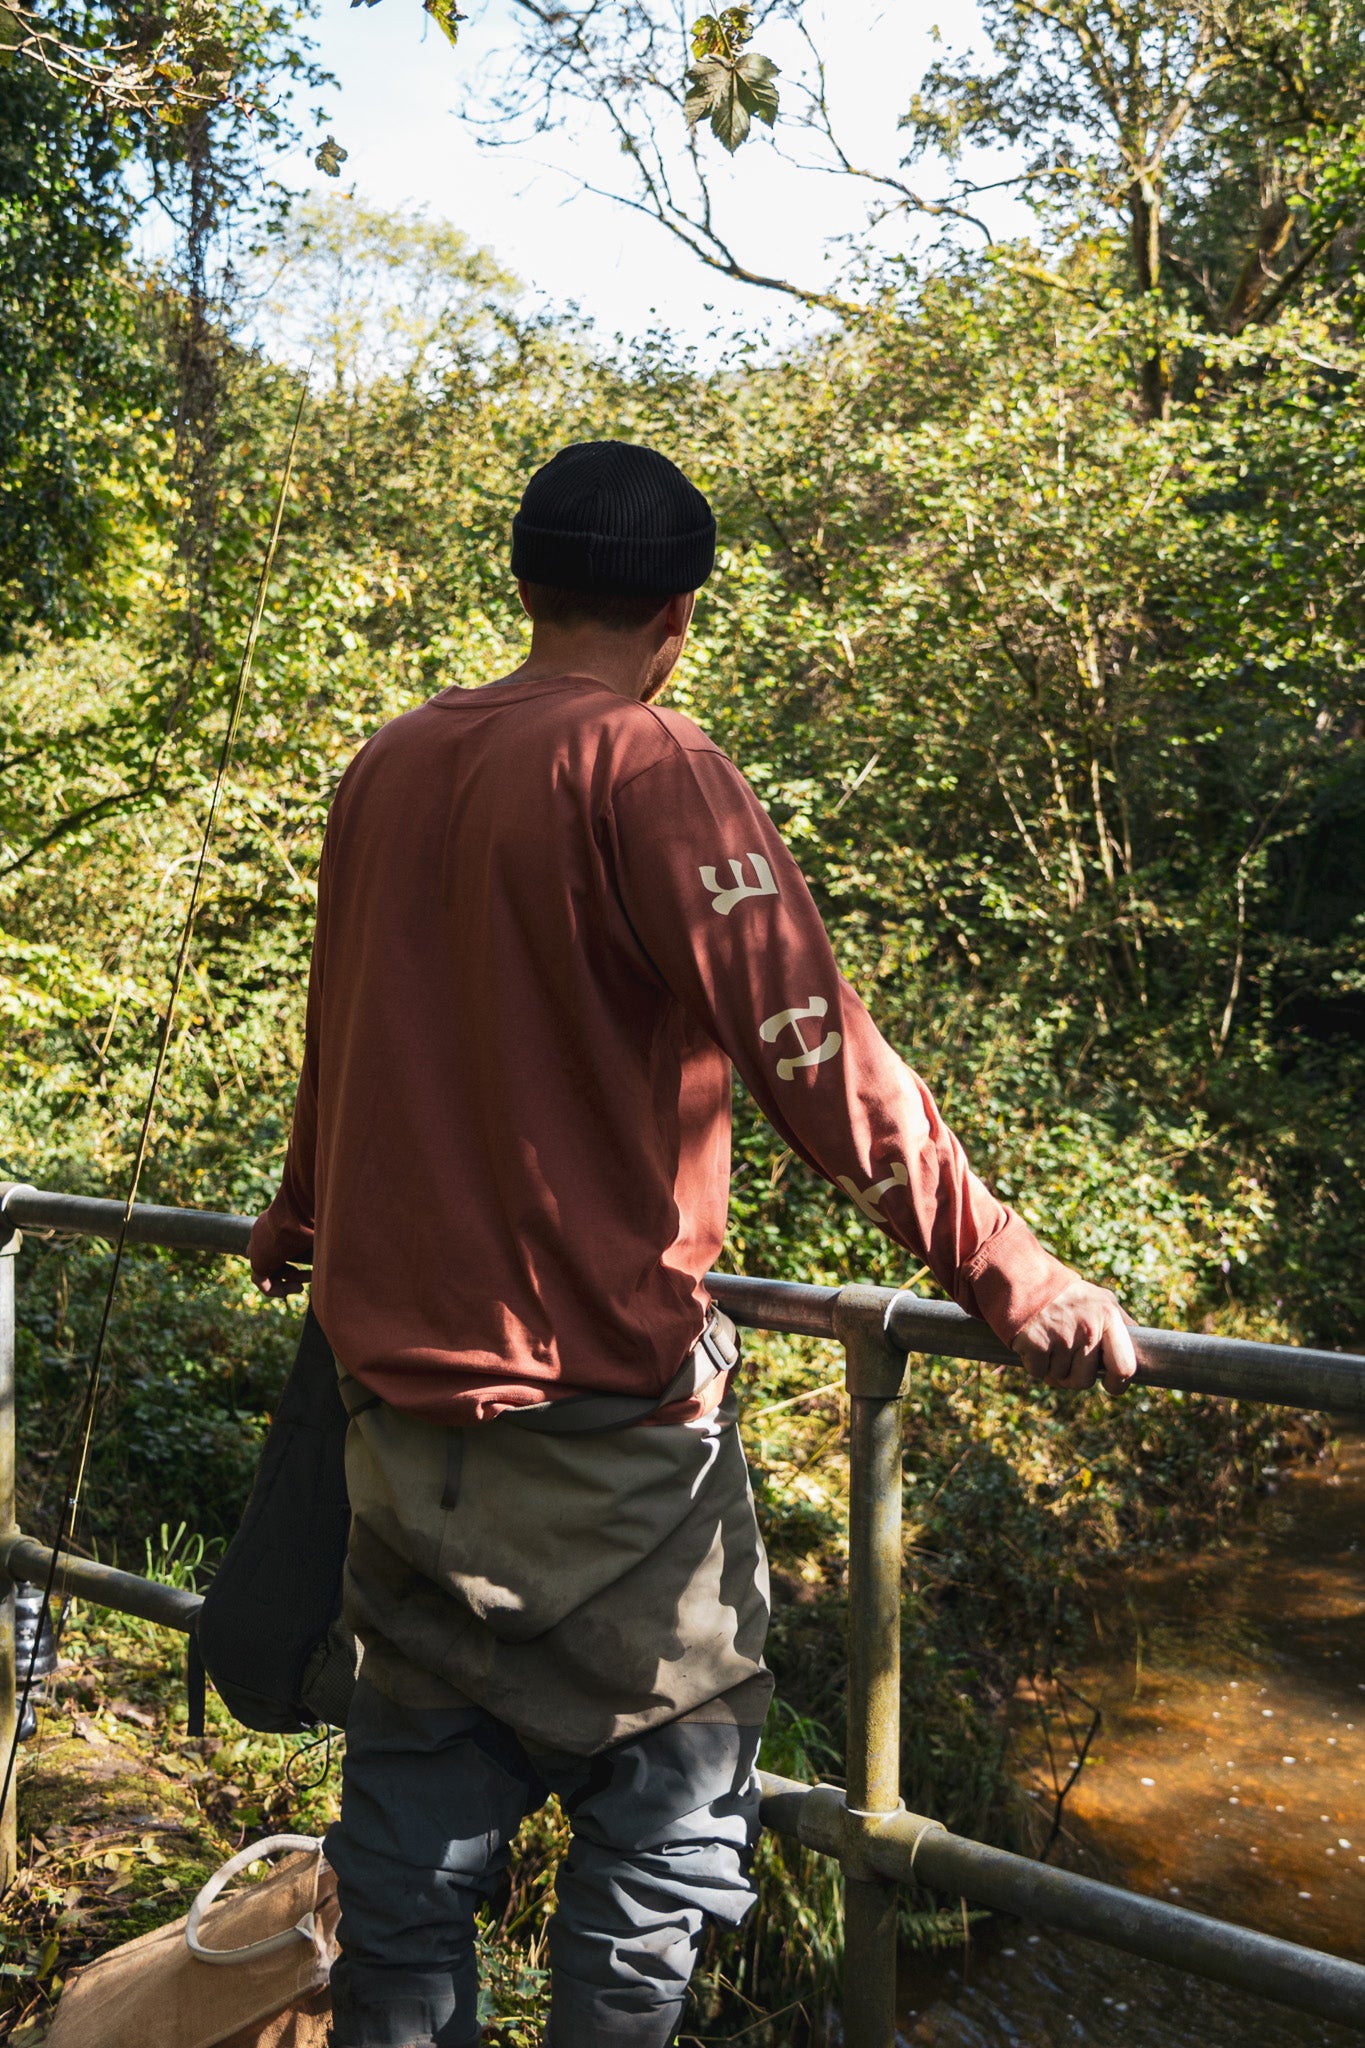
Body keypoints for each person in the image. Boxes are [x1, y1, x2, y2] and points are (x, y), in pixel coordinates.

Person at [249, 440, 1136, 2048]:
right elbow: (813, 1048)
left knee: (409, 1849)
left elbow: (347, 1028)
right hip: (606, 1443)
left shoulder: (386, 764)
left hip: (400, 1434)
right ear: (679, 615)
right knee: (662, 1834)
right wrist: (1010, 1271)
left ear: (520, 586)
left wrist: (306, 1201)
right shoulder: (648, 763)